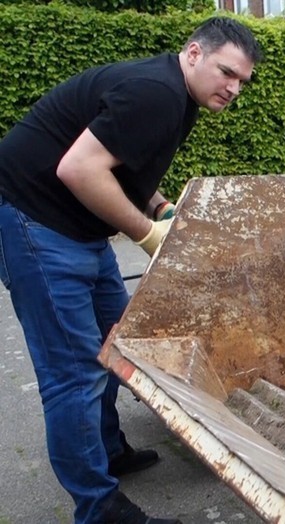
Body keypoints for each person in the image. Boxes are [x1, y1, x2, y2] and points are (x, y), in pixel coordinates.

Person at [0, 17, 261, 524]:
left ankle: (107, 449)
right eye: (227, 72)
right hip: (34, 220)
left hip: (78, 228)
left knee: (123, 343)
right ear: (193, 53)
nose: (233, 88)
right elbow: (78, 169)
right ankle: (99, 510)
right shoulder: (156, 92)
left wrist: (163, 211)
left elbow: (124, 168)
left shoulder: (176, 95)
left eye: (242, 82)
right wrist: (145, 234)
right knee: (73, 374)